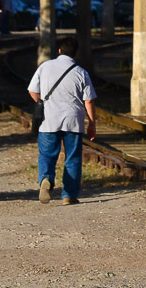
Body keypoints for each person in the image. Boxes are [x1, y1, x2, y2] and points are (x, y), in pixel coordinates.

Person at [28, 36, 97, 205]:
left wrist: (42, 102)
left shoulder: (45, 67)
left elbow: (32, 90)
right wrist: (92, 123)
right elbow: (88, 100)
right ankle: (69, 195)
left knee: (47, 155)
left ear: (59, 51)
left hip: (48, 120)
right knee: (72, 157)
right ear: (75, 53)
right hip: (73, 120)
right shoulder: (81, 72)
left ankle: (46, 179)